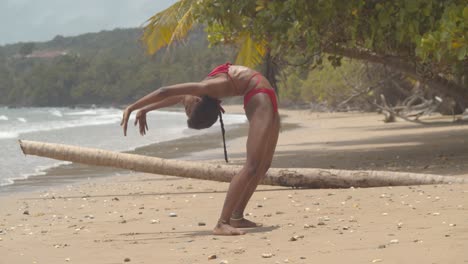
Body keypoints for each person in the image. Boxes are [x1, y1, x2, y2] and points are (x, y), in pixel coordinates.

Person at [120, 63, 280, 235]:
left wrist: (134, 107)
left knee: (263, 165)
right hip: (259, 95)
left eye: (187, 109)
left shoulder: (205, 88)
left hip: (263, 93)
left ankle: (237, 217)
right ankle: (222, 223)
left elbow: (165, 92)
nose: (184, 105)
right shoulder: (207, 90)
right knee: (252, 166)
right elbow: (176, 96)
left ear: (197, 99)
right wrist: (145, 110)